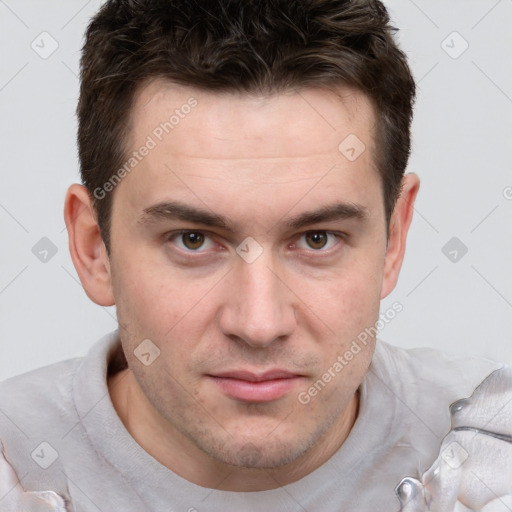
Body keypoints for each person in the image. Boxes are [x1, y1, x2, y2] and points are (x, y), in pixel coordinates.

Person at [0, 1, 510, 511]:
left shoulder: (493, 450)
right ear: (95, 249)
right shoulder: (14, 455)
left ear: (393, 238)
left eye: (317, 239)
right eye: (193, 240)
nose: (259, 324)